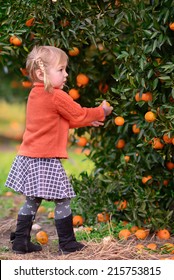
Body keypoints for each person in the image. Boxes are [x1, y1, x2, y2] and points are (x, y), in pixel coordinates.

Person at [5, 45, 113, 255]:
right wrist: (101, 111)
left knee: (32, 200)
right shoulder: (56, 95)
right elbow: (78, 113)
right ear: (41, 73)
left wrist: (86, 121)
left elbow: (59, 121)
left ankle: (20, 241)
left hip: (28, 156)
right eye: (61, 69)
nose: (66, 74)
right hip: (45, 158)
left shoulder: (36, 95)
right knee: (62, 199)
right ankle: (67, 243)